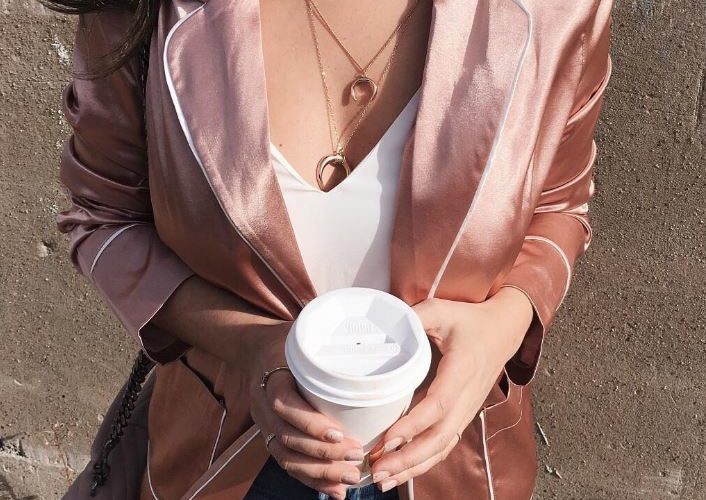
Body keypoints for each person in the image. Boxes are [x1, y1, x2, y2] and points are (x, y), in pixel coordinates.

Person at [46, 0, 614, 498]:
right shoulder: (146, 12)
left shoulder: (561, 10)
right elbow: (105, 216)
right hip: (224, 462)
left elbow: (559, 205)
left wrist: (501, 326)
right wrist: (248, 345)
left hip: (452, 464)